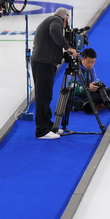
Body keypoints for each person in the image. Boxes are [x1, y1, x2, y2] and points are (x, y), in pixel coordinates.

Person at [30, 7, 77, 139]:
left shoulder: (51, 20)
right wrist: (68, 48)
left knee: (46, 95)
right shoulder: (56, 20)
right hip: (43, 63)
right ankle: (41, 130)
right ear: (65, 19)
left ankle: (48, 125)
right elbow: (55, 31)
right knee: (43, 95)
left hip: (44, 62)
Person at [70, 48, 110, 112]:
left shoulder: (92, 69)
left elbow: (95, 80)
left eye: (93, 62)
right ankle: (109, 103)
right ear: (82, 59)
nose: (91, 64)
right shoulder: (75, 70)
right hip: (81, 96)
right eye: (88, 62)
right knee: (81, 101)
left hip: (92, 94)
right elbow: (74, 91)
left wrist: (100, 85)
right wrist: (88, 88)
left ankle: (101, 104)